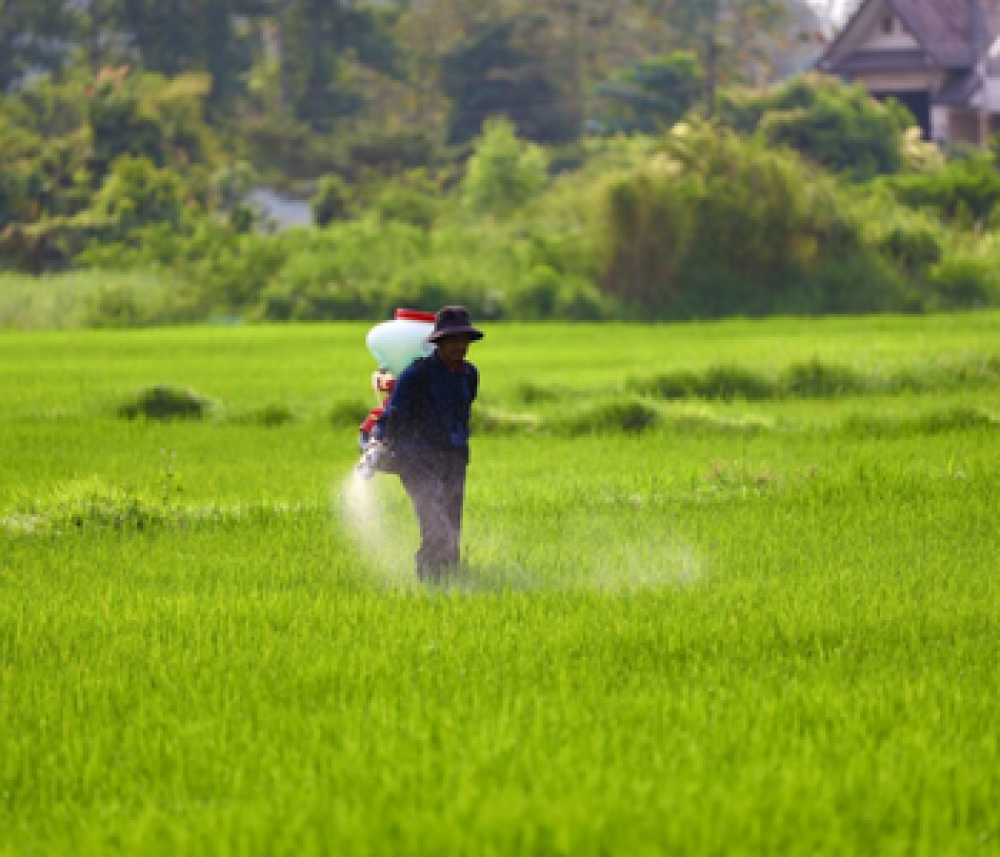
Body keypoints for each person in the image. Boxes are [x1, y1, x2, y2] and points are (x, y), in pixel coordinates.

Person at [381, 306, 484, 581]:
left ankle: (451, 582)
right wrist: (381, 444)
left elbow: (463, 411)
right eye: (452, 341)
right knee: (436, 527)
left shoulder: (468, 375)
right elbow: (393, 413)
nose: (459, 347)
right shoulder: (418, 374)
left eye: (463, 341)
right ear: (438, 342)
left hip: (454, 458)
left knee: (452, 526)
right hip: (417, 459)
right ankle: (429, 585)